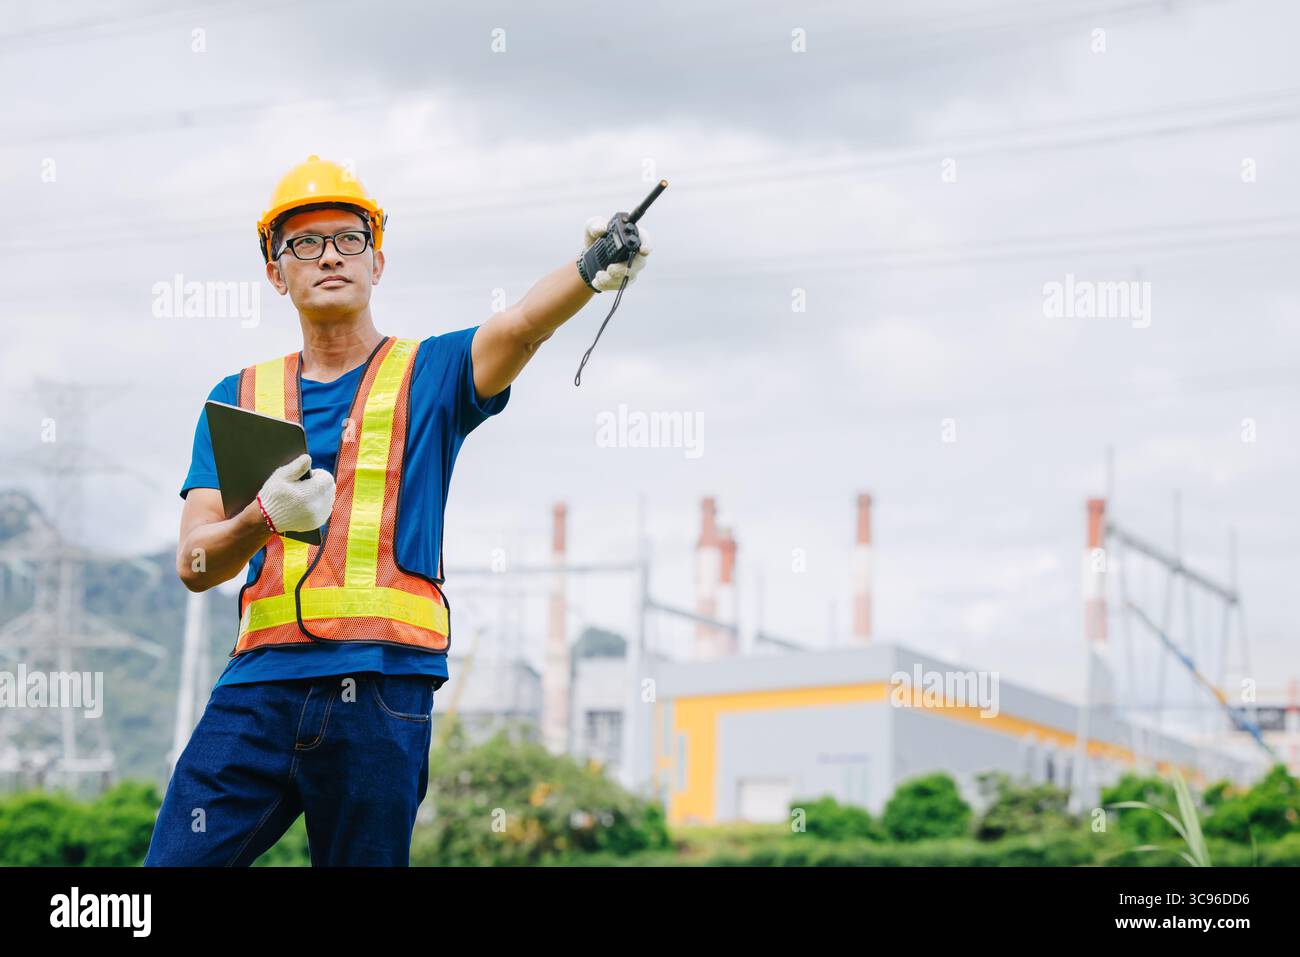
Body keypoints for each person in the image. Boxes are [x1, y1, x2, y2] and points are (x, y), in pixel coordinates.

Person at [144, 155, 651, 866]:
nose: (329, 255)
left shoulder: (430, 373)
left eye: (348, 239)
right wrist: (263, 514)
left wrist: (591, 268)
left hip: (382, 694)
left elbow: (522, 326)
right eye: (303, 242)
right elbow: (195, 564)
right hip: (257, 691)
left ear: (376, 261)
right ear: (274, 270)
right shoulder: (238, 396)